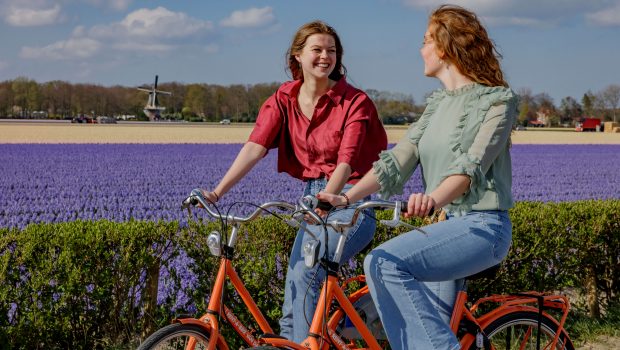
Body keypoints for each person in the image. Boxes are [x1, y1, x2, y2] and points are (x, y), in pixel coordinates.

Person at [317, 5, 518, 349]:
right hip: (444, 228)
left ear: (444, 47)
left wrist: (433, 198)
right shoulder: (437, 105)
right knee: (428, 329)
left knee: (382, 263)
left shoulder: (499, 101)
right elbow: (396, 161)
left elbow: (470, 168)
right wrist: (346, 198)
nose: (420, 49)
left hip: (483, 227)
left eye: (425, 40)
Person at [200, 20, 387, 342]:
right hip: (313, 197)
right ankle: (295, 343)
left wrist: (328, 198)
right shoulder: (284, 97)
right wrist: (216, 192)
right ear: (298, 56)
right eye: (317, 50)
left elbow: (347, 159)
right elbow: (255, 147)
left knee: (306, 272)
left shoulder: (354, 101)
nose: (325, 57)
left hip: (350, 200)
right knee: (294, 282)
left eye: (331, 51)